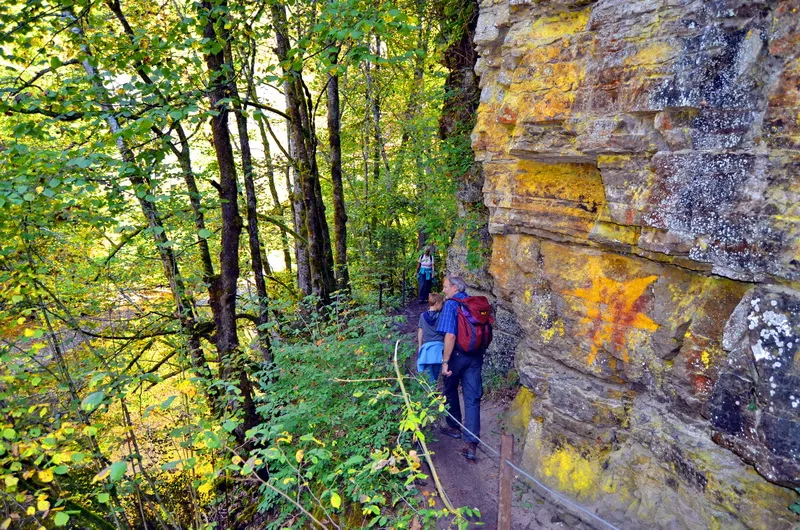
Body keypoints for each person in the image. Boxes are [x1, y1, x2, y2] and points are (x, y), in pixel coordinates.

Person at [438, 276, 483, 460]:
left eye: (446, 287)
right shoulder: (472, 302)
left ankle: (454, 426)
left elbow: (450, 335)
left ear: (455, 287)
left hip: (456, 355)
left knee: (449, 388)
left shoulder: (451, 305)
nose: (444, 290)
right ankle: (471, 443)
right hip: (475, 356)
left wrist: (445, 361)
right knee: (472, 397)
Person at [417, 293, 445, 385]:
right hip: (439, 349)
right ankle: (434, 391)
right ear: (437, 303)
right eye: (441, 303)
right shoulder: (442, 316)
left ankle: (432, 392)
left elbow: (420, 331)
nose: (442, 306)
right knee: (436, 373)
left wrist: (420, 346)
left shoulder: (422, 316)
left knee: (428, 373)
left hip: (427, 349)